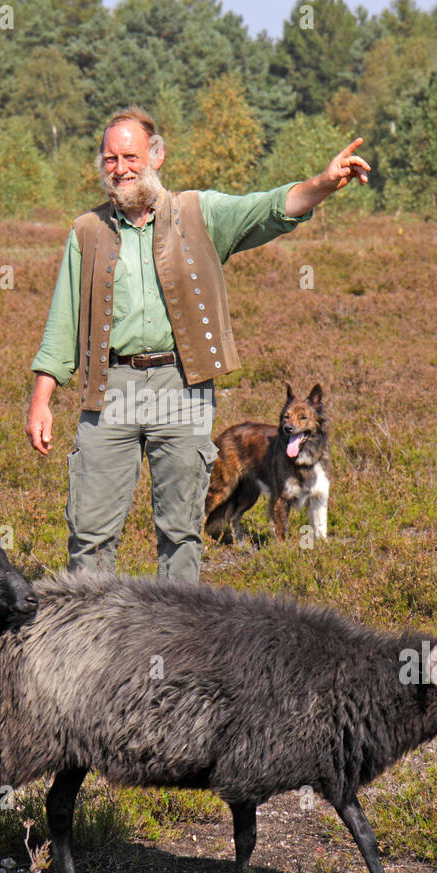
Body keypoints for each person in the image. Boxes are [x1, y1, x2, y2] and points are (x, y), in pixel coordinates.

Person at [26, 106, 369, 582]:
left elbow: (270, 206)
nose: (120, 168)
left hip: (182, 385)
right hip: (110, 387)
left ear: (157, 155)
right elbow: (62, 322)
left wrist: (324, 182)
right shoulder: (86, 232)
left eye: (130, 156)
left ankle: (174, 643)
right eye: (109, 158)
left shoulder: (199, 214)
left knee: (181, 530)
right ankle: (92, 641)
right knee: (90, 532)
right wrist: (42, 400)